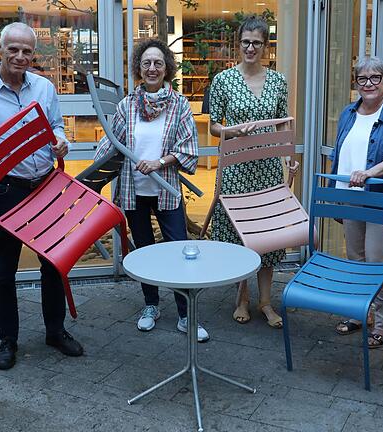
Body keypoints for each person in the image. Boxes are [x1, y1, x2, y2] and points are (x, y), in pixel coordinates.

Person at [0, 22, 81, 371]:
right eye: (14, 49)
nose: (20, 56)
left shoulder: (44, 87)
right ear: (1, 49)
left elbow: (55, 125)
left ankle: (55, 331)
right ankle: (7, 339)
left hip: (44, 186)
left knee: (53, 263)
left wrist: (61, 139)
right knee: (4, 270)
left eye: (27, 51)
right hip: (5, 190)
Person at [95, 39, 209, 342]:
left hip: (166, 189)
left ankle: (187, 314)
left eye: (158, 62)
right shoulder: (126, 105)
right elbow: (112, 142)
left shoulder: (179, 104)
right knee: (145, 251)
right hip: (134, 190)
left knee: (180, 251)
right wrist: (94, 171)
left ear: (166, 68)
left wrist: (160, 162)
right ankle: (151, 305)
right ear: (139, 68)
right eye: (146, 63)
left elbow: (188, 148)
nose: (152, 68)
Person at [209, 16, 293, 328]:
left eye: (257, 42)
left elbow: (283, 121)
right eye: (245, 42)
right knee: (240, 233)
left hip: (269, 168)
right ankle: (242, 297)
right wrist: (233, 131)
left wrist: (289, 156)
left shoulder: (278, 81)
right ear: (238, 44)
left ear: (266, 46)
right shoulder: (223, 81)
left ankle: (266, 302)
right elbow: (214, 124)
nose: (250, 48)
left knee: (268, 235)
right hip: (237, 168)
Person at [329, 56, 383, 348]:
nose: (368, 84)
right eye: (362, 79)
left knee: (378, 260)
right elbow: (339, 154)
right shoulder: (348, 112)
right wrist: (336, 192)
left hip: (380, 197)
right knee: (356, 259)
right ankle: (359, 314)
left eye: (375, 78)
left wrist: (368, 174)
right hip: (350, 196)